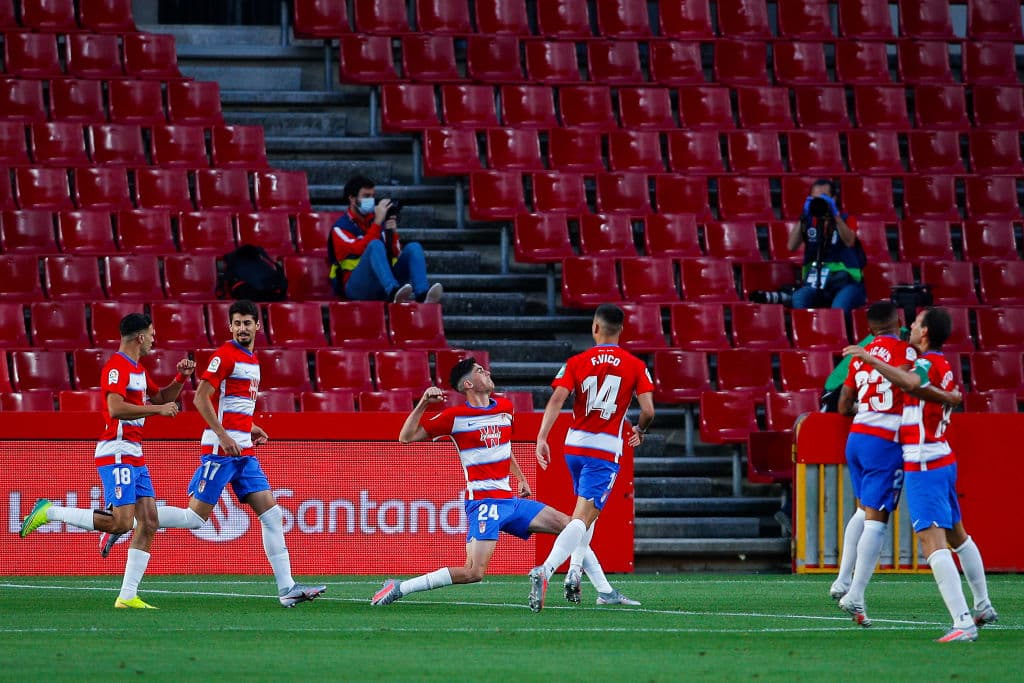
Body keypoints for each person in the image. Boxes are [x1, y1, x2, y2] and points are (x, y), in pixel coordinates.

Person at [372, 358, 629, 607]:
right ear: (468, 385)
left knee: (573, 525)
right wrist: (423, 404)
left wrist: (520, 478)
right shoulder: (455, 417)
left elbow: (502, 448)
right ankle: (400, 587)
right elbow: (405, 437)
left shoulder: (505, 407)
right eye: (480, 371)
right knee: (473, 572)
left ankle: (603, 590)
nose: (487, 372)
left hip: (510, 500)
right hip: (484, 504)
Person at [125, 300, 326, 608]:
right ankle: (132, 521)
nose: (243, 328)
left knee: (271, 514)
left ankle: (287, 589)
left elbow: (233, 405)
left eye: (248, 323)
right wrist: (223, 434)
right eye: (237, 323)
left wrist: (250, 427)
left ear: (258, 326)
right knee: (194, 518)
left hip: (243, 450)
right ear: (230, 327)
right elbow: (201, 399)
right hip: (221, 451)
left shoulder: (251, 358)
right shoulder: (225, 355)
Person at [19, 313, 196, 609]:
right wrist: (157, 411)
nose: (155, 339)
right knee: (122, 522)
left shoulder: (138, 369)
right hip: (116, 450)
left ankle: (127, 596)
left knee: (149, 521)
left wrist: (181, 378)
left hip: (134, 452)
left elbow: (162, 396)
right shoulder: (117, 367)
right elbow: (115, 409)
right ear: (140, 337)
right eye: (152, 334)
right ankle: (50, 511)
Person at [844, 307, 998, 642]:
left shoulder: (927, 364)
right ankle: (983, 605)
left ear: (925, 332)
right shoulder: (940, 364)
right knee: (958, 535)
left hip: (924, 461)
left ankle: (963, 622)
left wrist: (870, 359)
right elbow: (918, 385)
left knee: (932, 540)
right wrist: (951, 397)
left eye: (915, 324)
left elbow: (911, 383)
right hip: (942, 456)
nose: (909, 328)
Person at [831, 302, 958, 626]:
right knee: (878, 517)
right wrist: (951, 398)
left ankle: (843, 580)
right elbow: (915, 386)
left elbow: (843, 404)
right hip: (885, 441)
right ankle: (854, 592)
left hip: (856, 437)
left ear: (870, 327)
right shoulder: (907, 353)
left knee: (863, 509)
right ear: (899, 322)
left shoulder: (860, 354)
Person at [528, 304, 654, 612]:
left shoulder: (576, 361)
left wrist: (542, 437)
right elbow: (649, 410)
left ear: (595, 328)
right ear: (621, 330)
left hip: (574, 446)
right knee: (582, 519)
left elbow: (557, 398)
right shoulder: (635, 365)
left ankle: (577, 575)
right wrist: (639, 428)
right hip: (604, 449)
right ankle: (546, 570)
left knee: (585, 514)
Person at [327, 174, 442, 304]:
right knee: (375, 245)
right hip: (356, 287)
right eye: (366, 196)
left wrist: (392, 232)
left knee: (414, 248)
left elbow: (396, 254)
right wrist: (377, 223)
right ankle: (393, 291)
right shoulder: (340, 228)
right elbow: (360, 249)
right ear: (352, 199)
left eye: (372, 196)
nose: (371, 200)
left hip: (380, 284)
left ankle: (422, 294)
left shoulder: (377, 221)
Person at [787, 179, 866, 313]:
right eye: (815, 198)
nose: (819, 201)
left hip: (846, 283)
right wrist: (803, 216)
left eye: (823, 198)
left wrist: (835, 215)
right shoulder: (809, 221)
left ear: (833, 198)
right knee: (799, 297)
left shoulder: (847, 219)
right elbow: (791, 246)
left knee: (838, 309)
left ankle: (840, 333)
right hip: (816, 281)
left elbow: (849, 241)